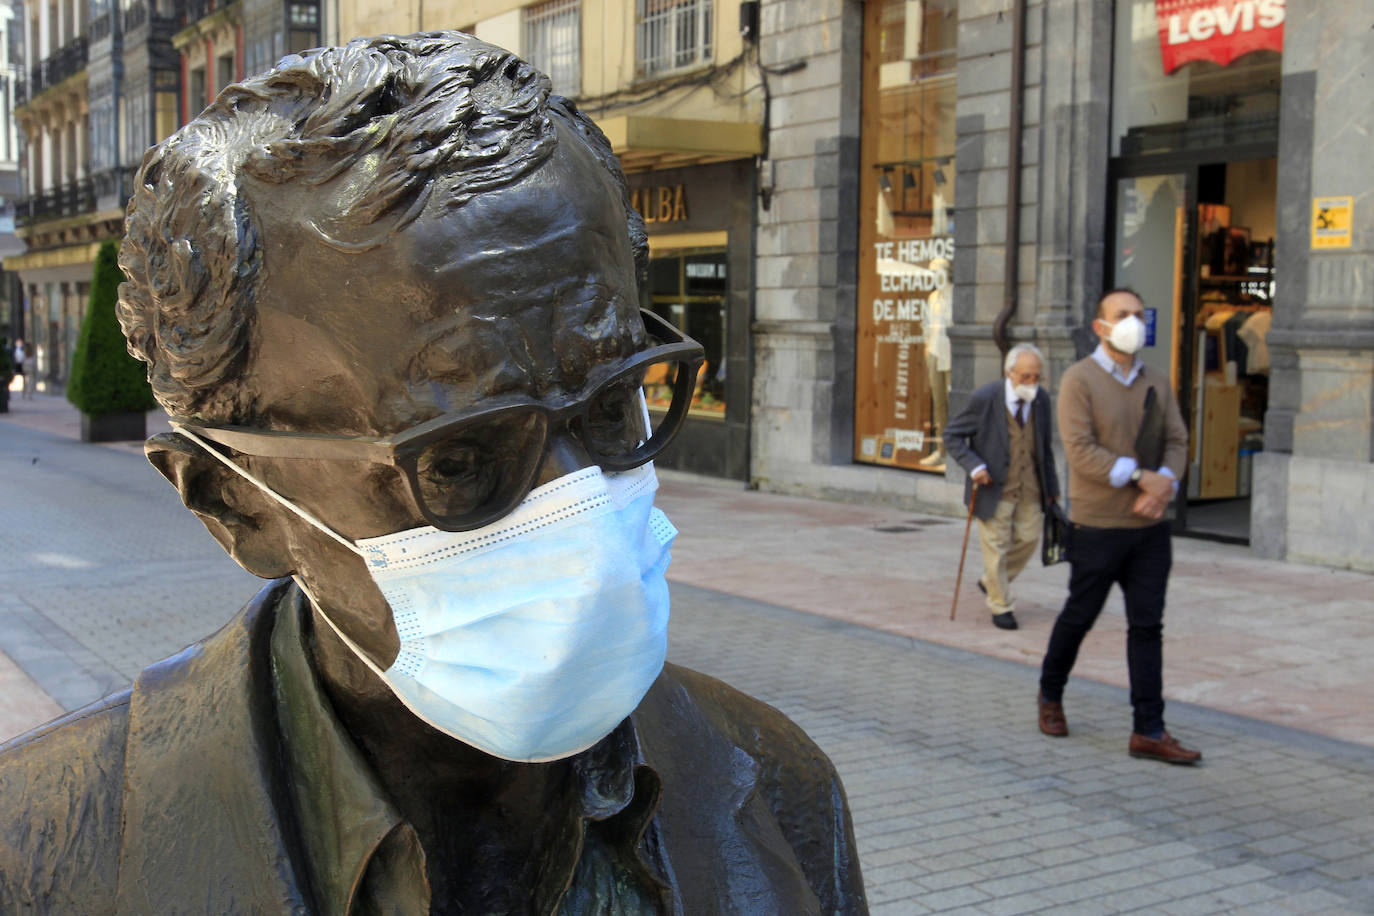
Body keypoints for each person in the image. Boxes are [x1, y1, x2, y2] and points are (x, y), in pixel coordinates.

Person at [0, 33, 867, 914]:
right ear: (233, 501)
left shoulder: (778, 789)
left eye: (611, 405)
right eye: (459, 458)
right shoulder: (41, 854)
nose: (581, 513)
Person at [1036, 288, 1200, 765]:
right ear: (1100, 327)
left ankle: (1149, 728)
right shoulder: (1078, 380)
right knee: (1080, 616)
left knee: (1147, 626)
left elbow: (1177, 438)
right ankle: (1050, 694)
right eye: (1121, 315)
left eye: (1137, 314)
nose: (1133, 322)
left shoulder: (1157, 380)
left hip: (1150, 527)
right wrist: (1140, 477)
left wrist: (1164, 484)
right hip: (1098, 525)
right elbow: (1081, 451)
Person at [944, 343, 1059, 630]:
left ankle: (990, 582)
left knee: (1029, 539)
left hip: (1031, 487)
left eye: (1037, 376)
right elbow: (952, 436)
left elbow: (1044, 448)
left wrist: (1053, 488)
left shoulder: (1041, 400)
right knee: (995, 548)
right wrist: (975, 466)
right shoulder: (985, 398)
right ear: (1009, 373)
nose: (1032, 383)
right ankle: (1001, 605)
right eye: (1025, 377)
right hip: (994, 488)